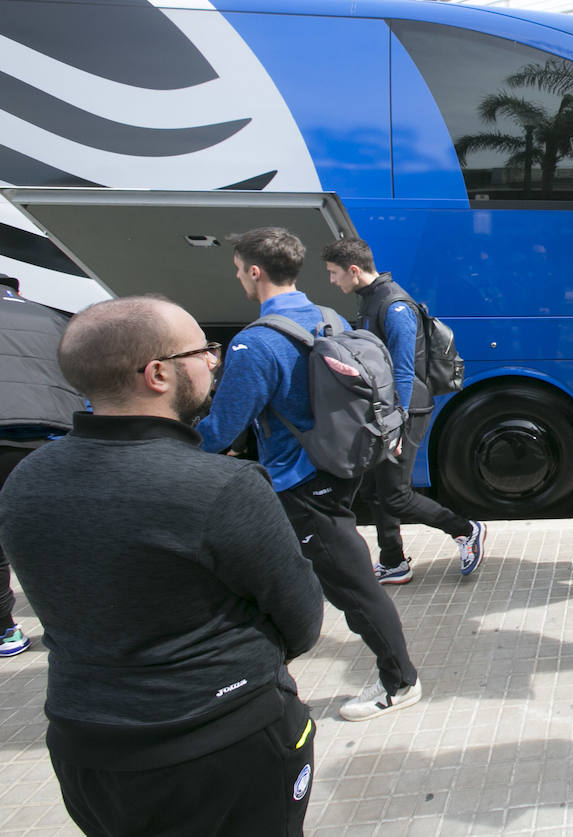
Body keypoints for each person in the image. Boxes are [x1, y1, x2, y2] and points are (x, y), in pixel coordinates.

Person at [0, 296, 323, 835]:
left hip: (85, 749)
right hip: (222, 744)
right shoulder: (222, 487)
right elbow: (303, 620)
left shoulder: (26, 480)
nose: (214, 363)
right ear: (157, 374)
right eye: (203, 351)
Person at [197, 227, 422, 722]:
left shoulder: (254, 344)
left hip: (300, 483)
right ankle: (258, 672)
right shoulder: (329, 316)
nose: (238, 277)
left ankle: (400, 681)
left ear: (255, 272)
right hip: (339, 464)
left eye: (238, 270)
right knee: (277, 577)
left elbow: (219, 431)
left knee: (354, 586)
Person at [321, 238, 487, 585]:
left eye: (334, 274)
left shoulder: (394, 305)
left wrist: (396, 425)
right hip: (386, 411)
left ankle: (465, 529)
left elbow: (403, 370)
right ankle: (393, 560)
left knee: (395, 494)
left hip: (405, 411)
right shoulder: (371, 300)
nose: (332, 281)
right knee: (375, 490)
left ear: (354, 270)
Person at [0, 273, 85, 659]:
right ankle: (75, 625)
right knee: (58, 538)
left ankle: (5, 631)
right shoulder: (50, 318)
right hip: (48, 439)